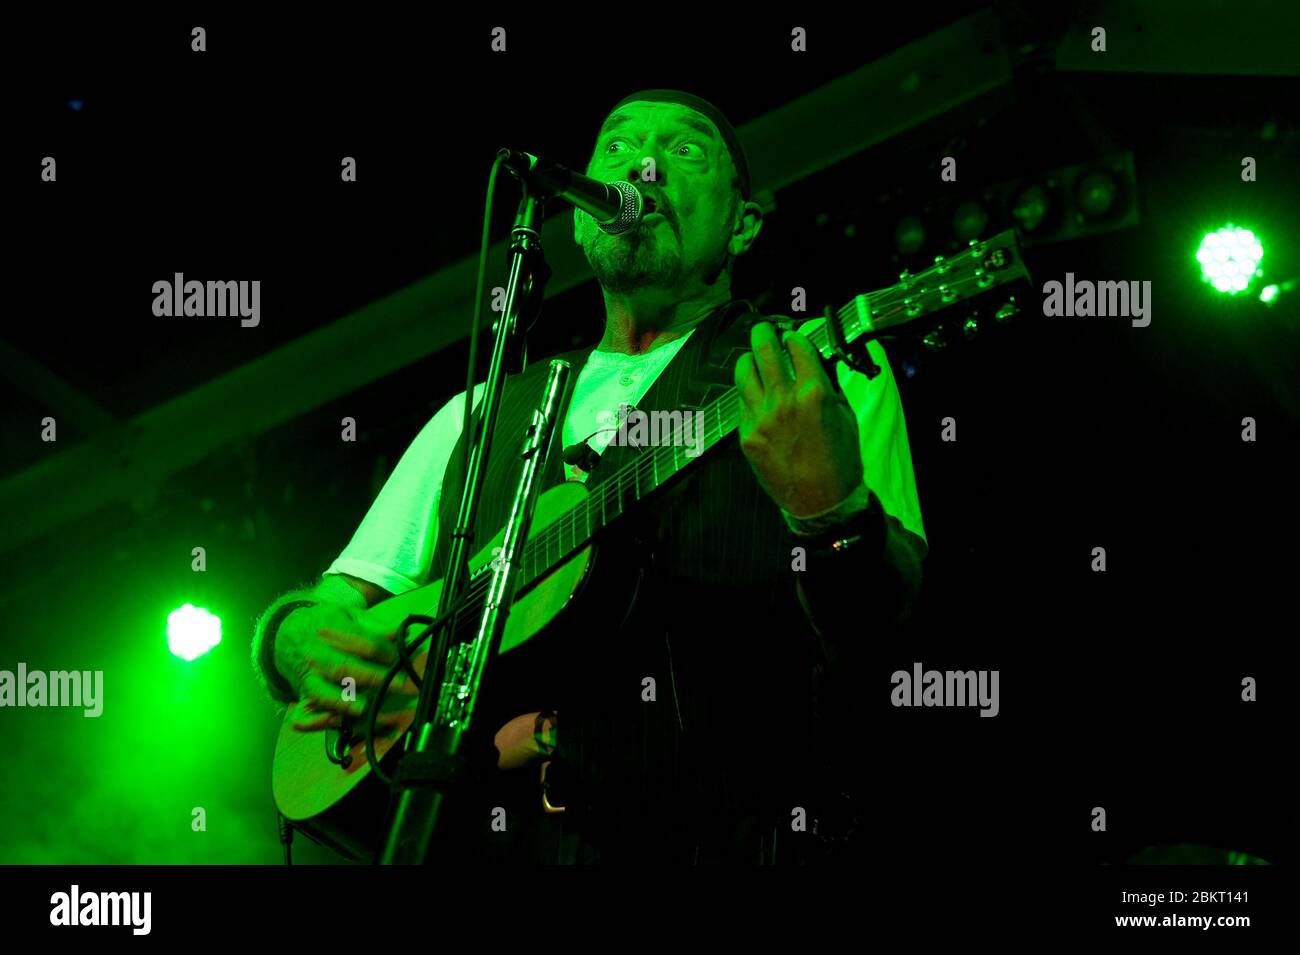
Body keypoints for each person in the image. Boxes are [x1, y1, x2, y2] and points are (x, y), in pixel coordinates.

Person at [253, 89, 927, 863]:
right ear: (578, 215)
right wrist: (295, 641)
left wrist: (830, 517)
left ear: (743, 223)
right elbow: (341, 601)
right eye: (618, 146)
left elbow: (887, 633)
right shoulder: (481, 409)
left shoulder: (814, 372)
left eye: (684, 150)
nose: (642, 161)